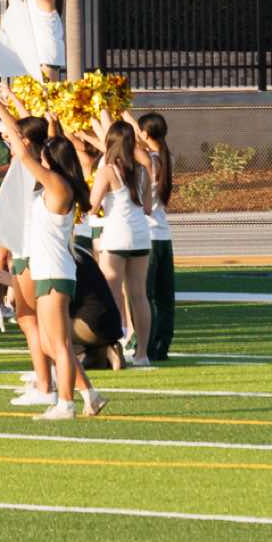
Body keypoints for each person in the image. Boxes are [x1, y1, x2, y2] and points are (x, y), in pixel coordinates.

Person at [0, 99, 104, 420]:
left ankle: (65, 404)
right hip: (49, 271)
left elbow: (23, 153)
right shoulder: (53, 186)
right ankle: (90, 394)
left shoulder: (58, 187)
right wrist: (2, 122)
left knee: (59, 345)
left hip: (53, 272)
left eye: (45, 157)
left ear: (53, 161)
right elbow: (25, 152)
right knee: (51, 343)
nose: (41, 160)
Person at [90, 118, 152, 367]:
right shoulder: (143, 170)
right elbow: (148, 208)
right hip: (141, 236)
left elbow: (92, 205)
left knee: (111, 293)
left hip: (116, 235)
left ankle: (115, 346)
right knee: (139, 295)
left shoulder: (108, 170)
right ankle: (142, 354)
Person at [134, 111, 176, 362]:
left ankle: (147, 345)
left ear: (145, 133)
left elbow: (127, 143)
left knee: (145, 294)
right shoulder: (167, 156)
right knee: (164, 297)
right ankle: (162, 345)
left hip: (148, 235)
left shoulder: (149, 159)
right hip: (163, 235)